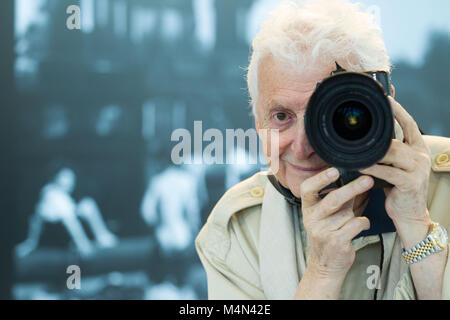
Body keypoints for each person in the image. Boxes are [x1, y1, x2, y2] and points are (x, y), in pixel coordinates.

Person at [195, 0, 450, 299]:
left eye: (333, 115)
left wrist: (418, 229)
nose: (303, 148)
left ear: (384, 105)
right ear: (258, 126)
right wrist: (323, 271)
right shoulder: (239, 229)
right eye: (281, 117)